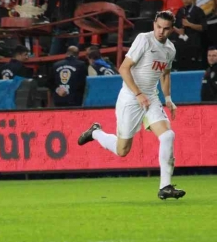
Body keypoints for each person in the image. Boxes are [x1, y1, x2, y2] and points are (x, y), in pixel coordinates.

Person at [78, 11, 184, 200]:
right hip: (130, 97)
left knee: (168, 135)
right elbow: (124, 68)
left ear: (171, 29)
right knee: (122, 151)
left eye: (166, 29)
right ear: (154, 24)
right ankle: (95, 132)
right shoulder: (144, 40)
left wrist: (168, 99)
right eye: (158, 27)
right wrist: (137, 93)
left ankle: (165, 186)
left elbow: (165, 74)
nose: (161, 32)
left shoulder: (170, 49)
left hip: (150, 97)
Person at [173, 0, 206, 70]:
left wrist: (189, 24)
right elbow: (178, 26)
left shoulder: (198, 11)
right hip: (182, 44)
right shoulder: (180, 11)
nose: (186, 0)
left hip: (194, 44)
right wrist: (176, 29)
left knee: (193, 66)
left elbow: (203, 27)